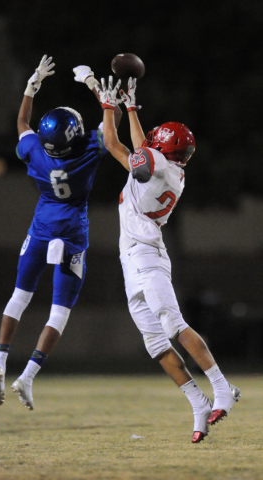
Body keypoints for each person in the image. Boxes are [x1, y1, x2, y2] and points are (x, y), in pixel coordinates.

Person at [93, 75, 240, 443]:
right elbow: (145, 149)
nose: (151, 140)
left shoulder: (155, 164)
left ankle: (222, 388)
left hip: (146, 255)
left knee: (173, 325)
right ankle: (197, 402)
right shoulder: (172, 170)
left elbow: (113, 143)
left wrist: (108, 107)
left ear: (162, 148)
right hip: (134, 258)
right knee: (155, 342)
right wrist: (130, 108)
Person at [0, 58, 122, 410]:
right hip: (73, 232)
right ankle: (28, 375)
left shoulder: (34, 151)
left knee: (20, 296)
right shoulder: (89, 149)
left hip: (42, 229)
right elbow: (113, 126)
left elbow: (21, 123)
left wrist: (30, 89)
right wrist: (95, 85)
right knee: (59, 311)